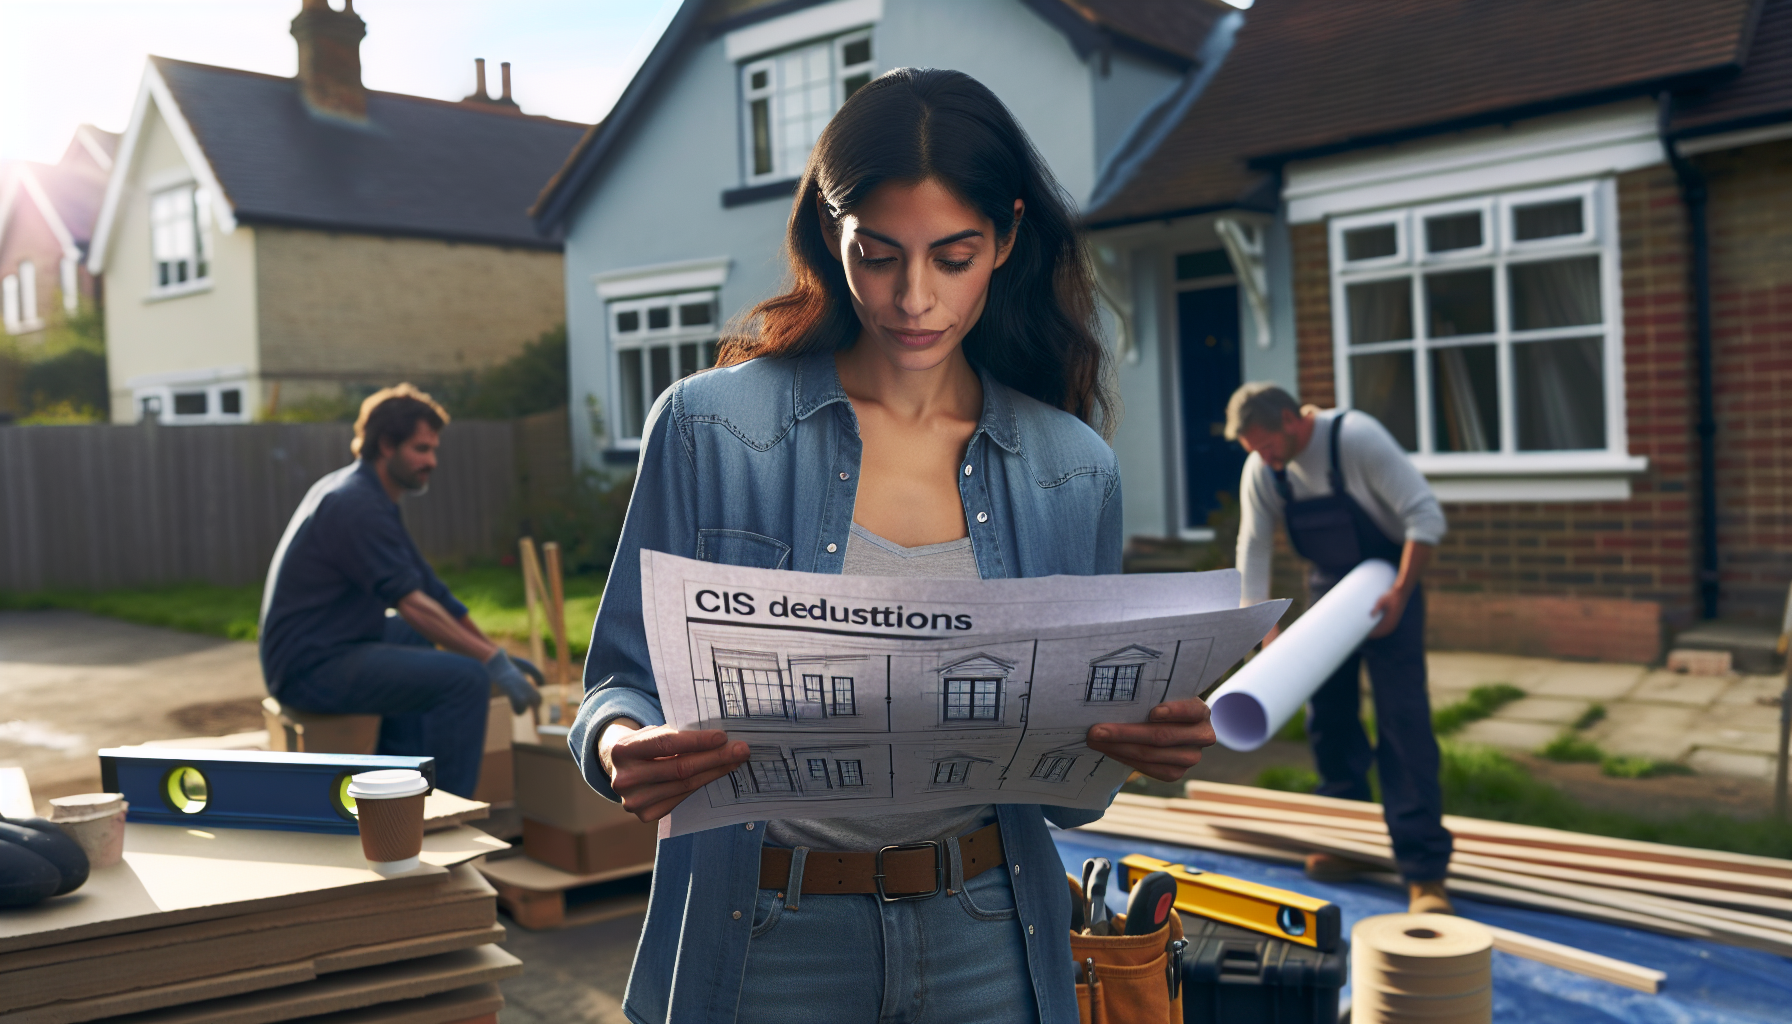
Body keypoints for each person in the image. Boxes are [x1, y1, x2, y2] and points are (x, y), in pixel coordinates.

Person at [567, 68, 1217, 1024]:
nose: (914, 298)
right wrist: (621, 742)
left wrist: (1140, 744)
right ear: (830, 240)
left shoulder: (1073, 471)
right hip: (766, 938)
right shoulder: (712, 429)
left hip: (988, 934)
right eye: (878, 255)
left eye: (953, 257)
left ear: (1005, 240)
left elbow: (1071, 805)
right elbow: (618, 685)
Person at [1226, 382, 1453, 914]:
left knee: (1403, 720)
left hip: (1388, 586)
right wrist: (1258, 626)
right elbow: (1253, 546)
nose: (1264, 459)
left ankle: (1424, 869)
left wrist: (1400, 593)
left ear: (1291, 418)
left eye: (1267, 445)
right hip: (1330, 591)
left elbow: (1426, 518)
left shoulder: (1355, 438)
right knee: (1327, 715)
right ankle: (1345, 840)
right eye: (1254, 451)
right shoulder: (1264, 468)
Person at [259, 384, 542, 797]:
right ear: (387, 445)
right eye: (421, 449)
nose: (432, 461)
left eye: (433, 449)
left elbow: (433, 593)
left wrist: (496, 656)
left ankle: (399, 777)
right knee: (464, 681)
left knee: (418, 640)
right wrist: (486, 665)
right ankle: (445, 810)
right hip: (308, 666)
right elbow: (411, 604)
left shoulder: (371, 496)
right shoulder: (354, 504)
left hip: (336, 640)